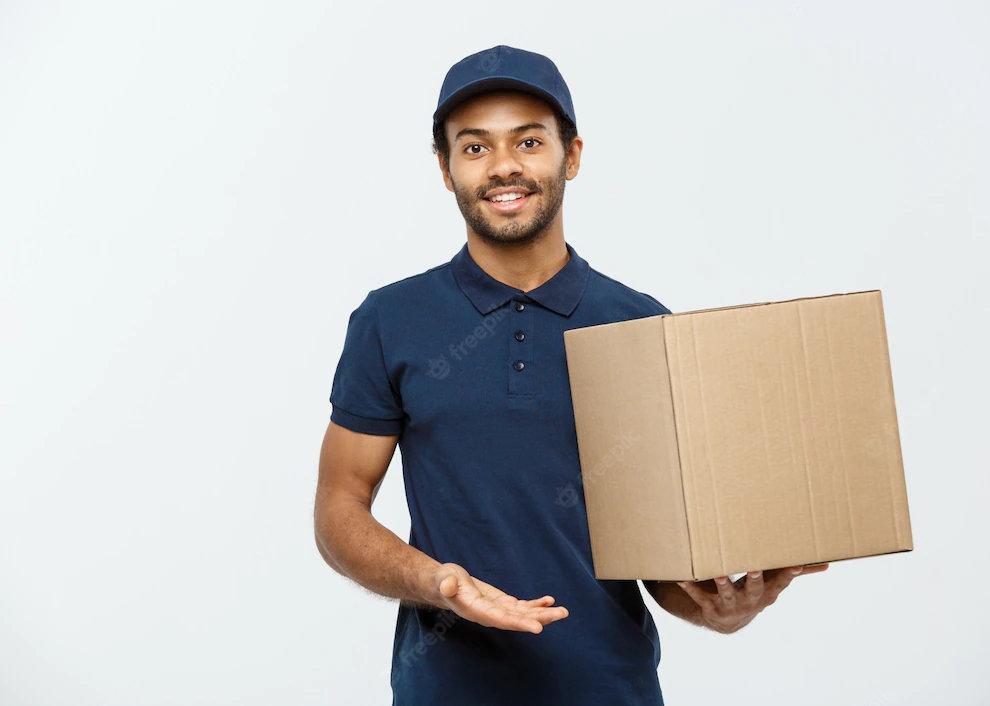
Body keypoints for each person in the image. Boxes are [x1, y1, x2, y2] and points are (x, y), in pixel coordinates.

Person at [314, 44, 828, 706]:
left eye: (528, 141)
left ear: (572, 155)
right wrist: (437, 581)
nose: (504, 166)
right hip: (445, 692)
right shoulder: (391, 319)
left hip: (611, 690)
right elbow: (338, 504)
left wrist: (716, 609)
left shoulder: (641, 324)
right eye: (475, 148)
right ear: (445, 169)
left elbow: (662, 557)